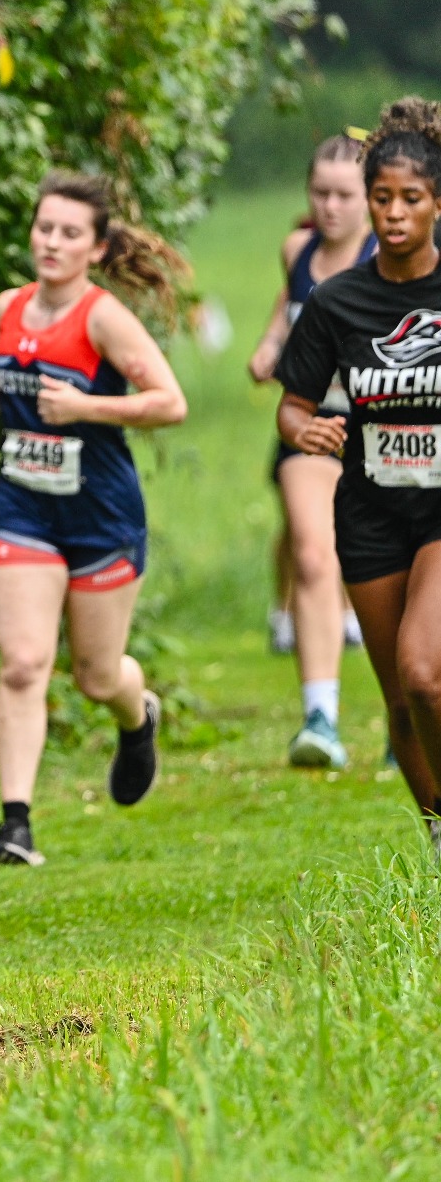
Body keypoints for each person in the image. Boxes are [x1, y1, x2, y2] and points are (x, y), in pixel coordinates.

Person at [0, 173, 189, 866]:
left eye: (68, 232)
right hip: (23, 507)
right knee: (24, 663)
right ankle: (15, 826)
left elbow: (168, 402)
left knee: (95, 675)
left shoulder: (101, 317)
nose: (51, 242)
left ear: (96, 246)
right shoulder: (9, 305)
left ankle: (136, 712)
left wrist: (88, 409)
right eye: (44, 227)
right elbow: (12, 372)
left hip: (101, 514)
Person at [277, 97, 441, 853]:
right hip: (371, 515)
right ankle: (437, 830)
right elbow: (293, 406)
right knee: (401, 708)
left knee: (424, 671)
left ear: (437, 202)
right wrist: (305, 429)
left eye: (411, 198)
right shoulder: (338, 301)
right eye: (384, 198)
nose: (395, 213)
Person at [248, 134, 376, 768]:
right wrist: (270, 347)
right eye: (319, 193)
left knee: (391, 572)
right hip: (310, 424)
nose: (329, 207)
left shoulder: (396, 259)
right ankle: (320, 719)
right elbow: (287, 310)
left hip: (384, 432)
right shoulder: (297, 249)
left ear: (370, 198)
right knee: (311, 550)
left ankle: (407, 720)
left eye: (344, 195)